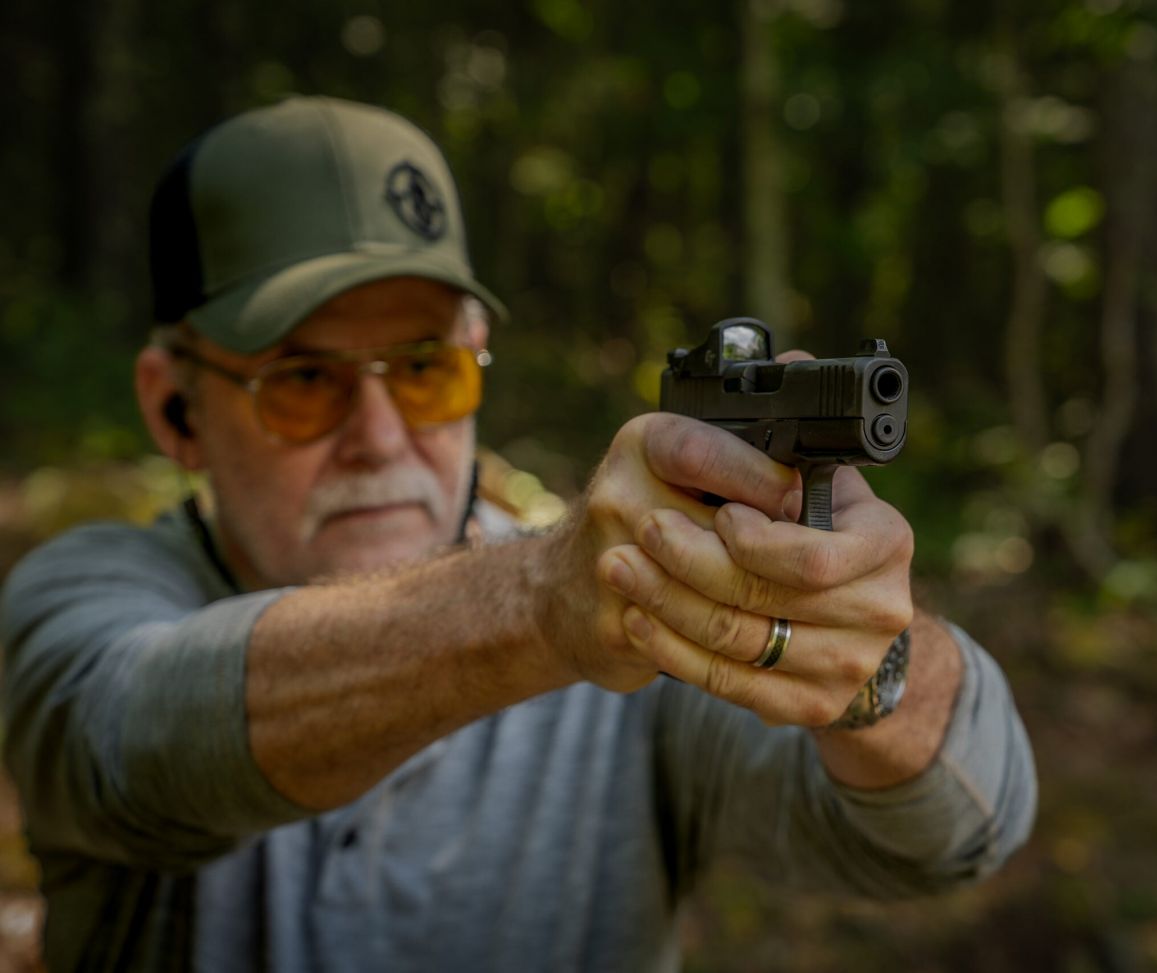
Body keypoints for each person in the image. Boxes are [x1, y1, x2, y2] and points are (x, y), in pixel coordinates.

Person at [0, 96, 1035, 972]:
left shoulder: (635, 610)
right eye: (303, 383)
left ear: (475, 357)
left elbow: (956, 837)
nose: (380, 436)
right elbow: (136, 744)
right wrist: (544, 606)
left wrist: (870, 663)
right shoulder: (86, 590)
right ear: (173, 406)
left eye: (421, 370)